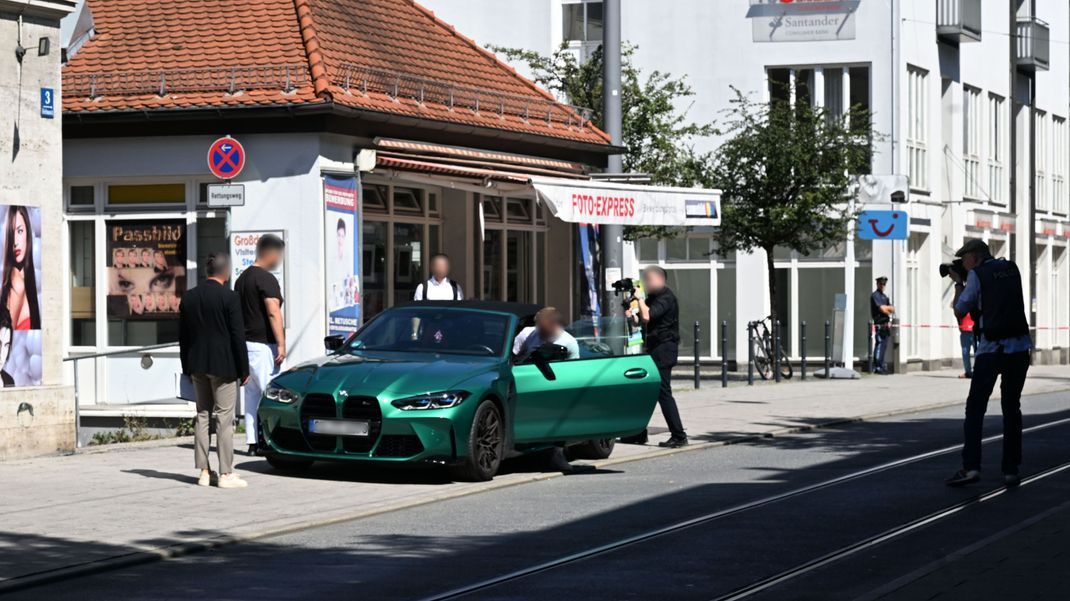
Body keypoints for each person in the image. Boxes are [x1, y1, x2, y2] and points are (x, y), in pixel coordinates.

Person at [946, 240, 1032, 488]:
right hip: (1019, 347)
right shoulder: (1011, 269)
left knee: (975, 409)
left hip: (991, 348)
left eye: (964, 260)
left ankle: (971, 467)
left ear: (973, 257)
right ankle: (1010, 470)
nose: (962, 264)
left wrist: (959, 283)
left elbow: (961, 310)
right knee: (1011, 408)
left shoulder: (976, 275)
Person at [179, 252, 249, 489]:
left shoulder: (189, 297)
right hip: (225, 366)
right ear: (226, 272)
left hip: (197, 365)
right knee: (224, 418)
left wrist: (186, 367)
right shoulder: (230, 298)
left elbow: (183, 337)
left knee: (202, 416)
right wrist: (244, 368)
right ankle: (227, 473)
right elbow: (238, 336)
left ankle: (204, 472)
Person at [235, 234, 286, 455]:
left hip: (245, 345)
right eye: (279, 255)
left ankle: (252, 442)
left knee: (251, 395)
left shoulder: (241, 279)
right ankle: (270, 439)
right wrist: (281, 344)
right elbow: (273, 312)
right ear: (272, 253)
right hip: (264, 345)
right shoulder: (266, 279)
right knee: (271, 394)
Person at [630, 266, 687, 448]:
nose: (646, 283)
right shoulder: (653, 298)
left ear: (660, 280)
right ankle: (638, 433)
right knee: (645, 391)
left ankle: (679, 435)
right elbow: (641, 319)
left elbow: (647, 316)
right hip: (653, 348)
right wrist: (632, 314)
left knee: (663, 392)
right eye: (645, 279)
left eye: (649, 279)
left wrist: (639, 299)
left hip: (664, 349)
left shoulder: (666, 297)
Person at [2, 206, 41, 331]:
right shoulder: (16, 280)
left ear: (28, 233)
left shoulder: (27, 280)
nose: (15, 242)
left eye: (19, 231)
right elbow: (5, 340)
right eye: (11, 234)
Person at [512, 307, 580, 360]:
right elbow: (513, 357)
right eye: (539, 327)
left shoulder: (570, 342)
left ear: (556, 325)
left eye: (544, 330)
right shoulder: (526, 333)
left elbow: (573, 368)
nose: (540, 333)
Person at [870, 276, 895, 374]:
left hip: (886, 324)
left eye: (884, 284)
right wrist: (886, 308)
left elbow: (892, 309)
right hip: (879, 324)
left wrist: (887, 308)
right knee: (880, 345)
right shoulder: (875, 295)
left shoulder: (884, 296)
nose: (882, 286)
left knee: (884, 346)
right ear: (877, 284)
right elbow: (883, 309)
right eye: (881, 284)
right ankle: (877, 367)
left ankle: (881, 365)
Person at [957, 312, 975, 379]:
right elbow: (957, 312)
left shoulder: (975, 303)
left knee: (978, 353)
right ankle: (968, 372)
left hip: (975, 332)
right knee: (965, 353)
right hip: (964, 332)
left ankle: (978, 371)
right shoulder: (962, 305)